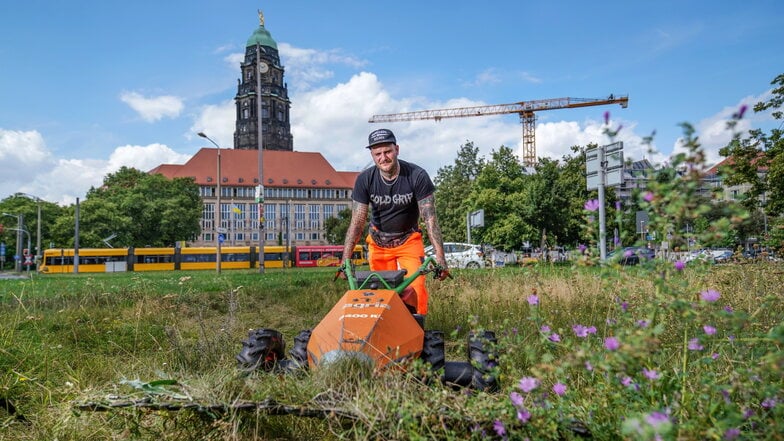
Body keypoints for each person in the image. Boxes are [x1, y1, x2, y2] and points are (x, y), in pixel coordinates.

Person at [342, 128, 450, 316]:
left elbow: (430, 218)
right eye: (378, 154)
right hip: (379, 244)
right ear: (372, 156)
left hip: (408, 240)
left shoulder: (416, 175)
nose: (383, 157)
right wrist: (345, 259)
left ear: (397, 149)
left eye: (387, 151)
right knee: (379, 292)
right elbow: (357, 222)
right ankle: (383, 336)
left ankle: (418, 333)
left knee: (416, 289)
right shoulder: (365, 180)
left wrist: (440, 257)